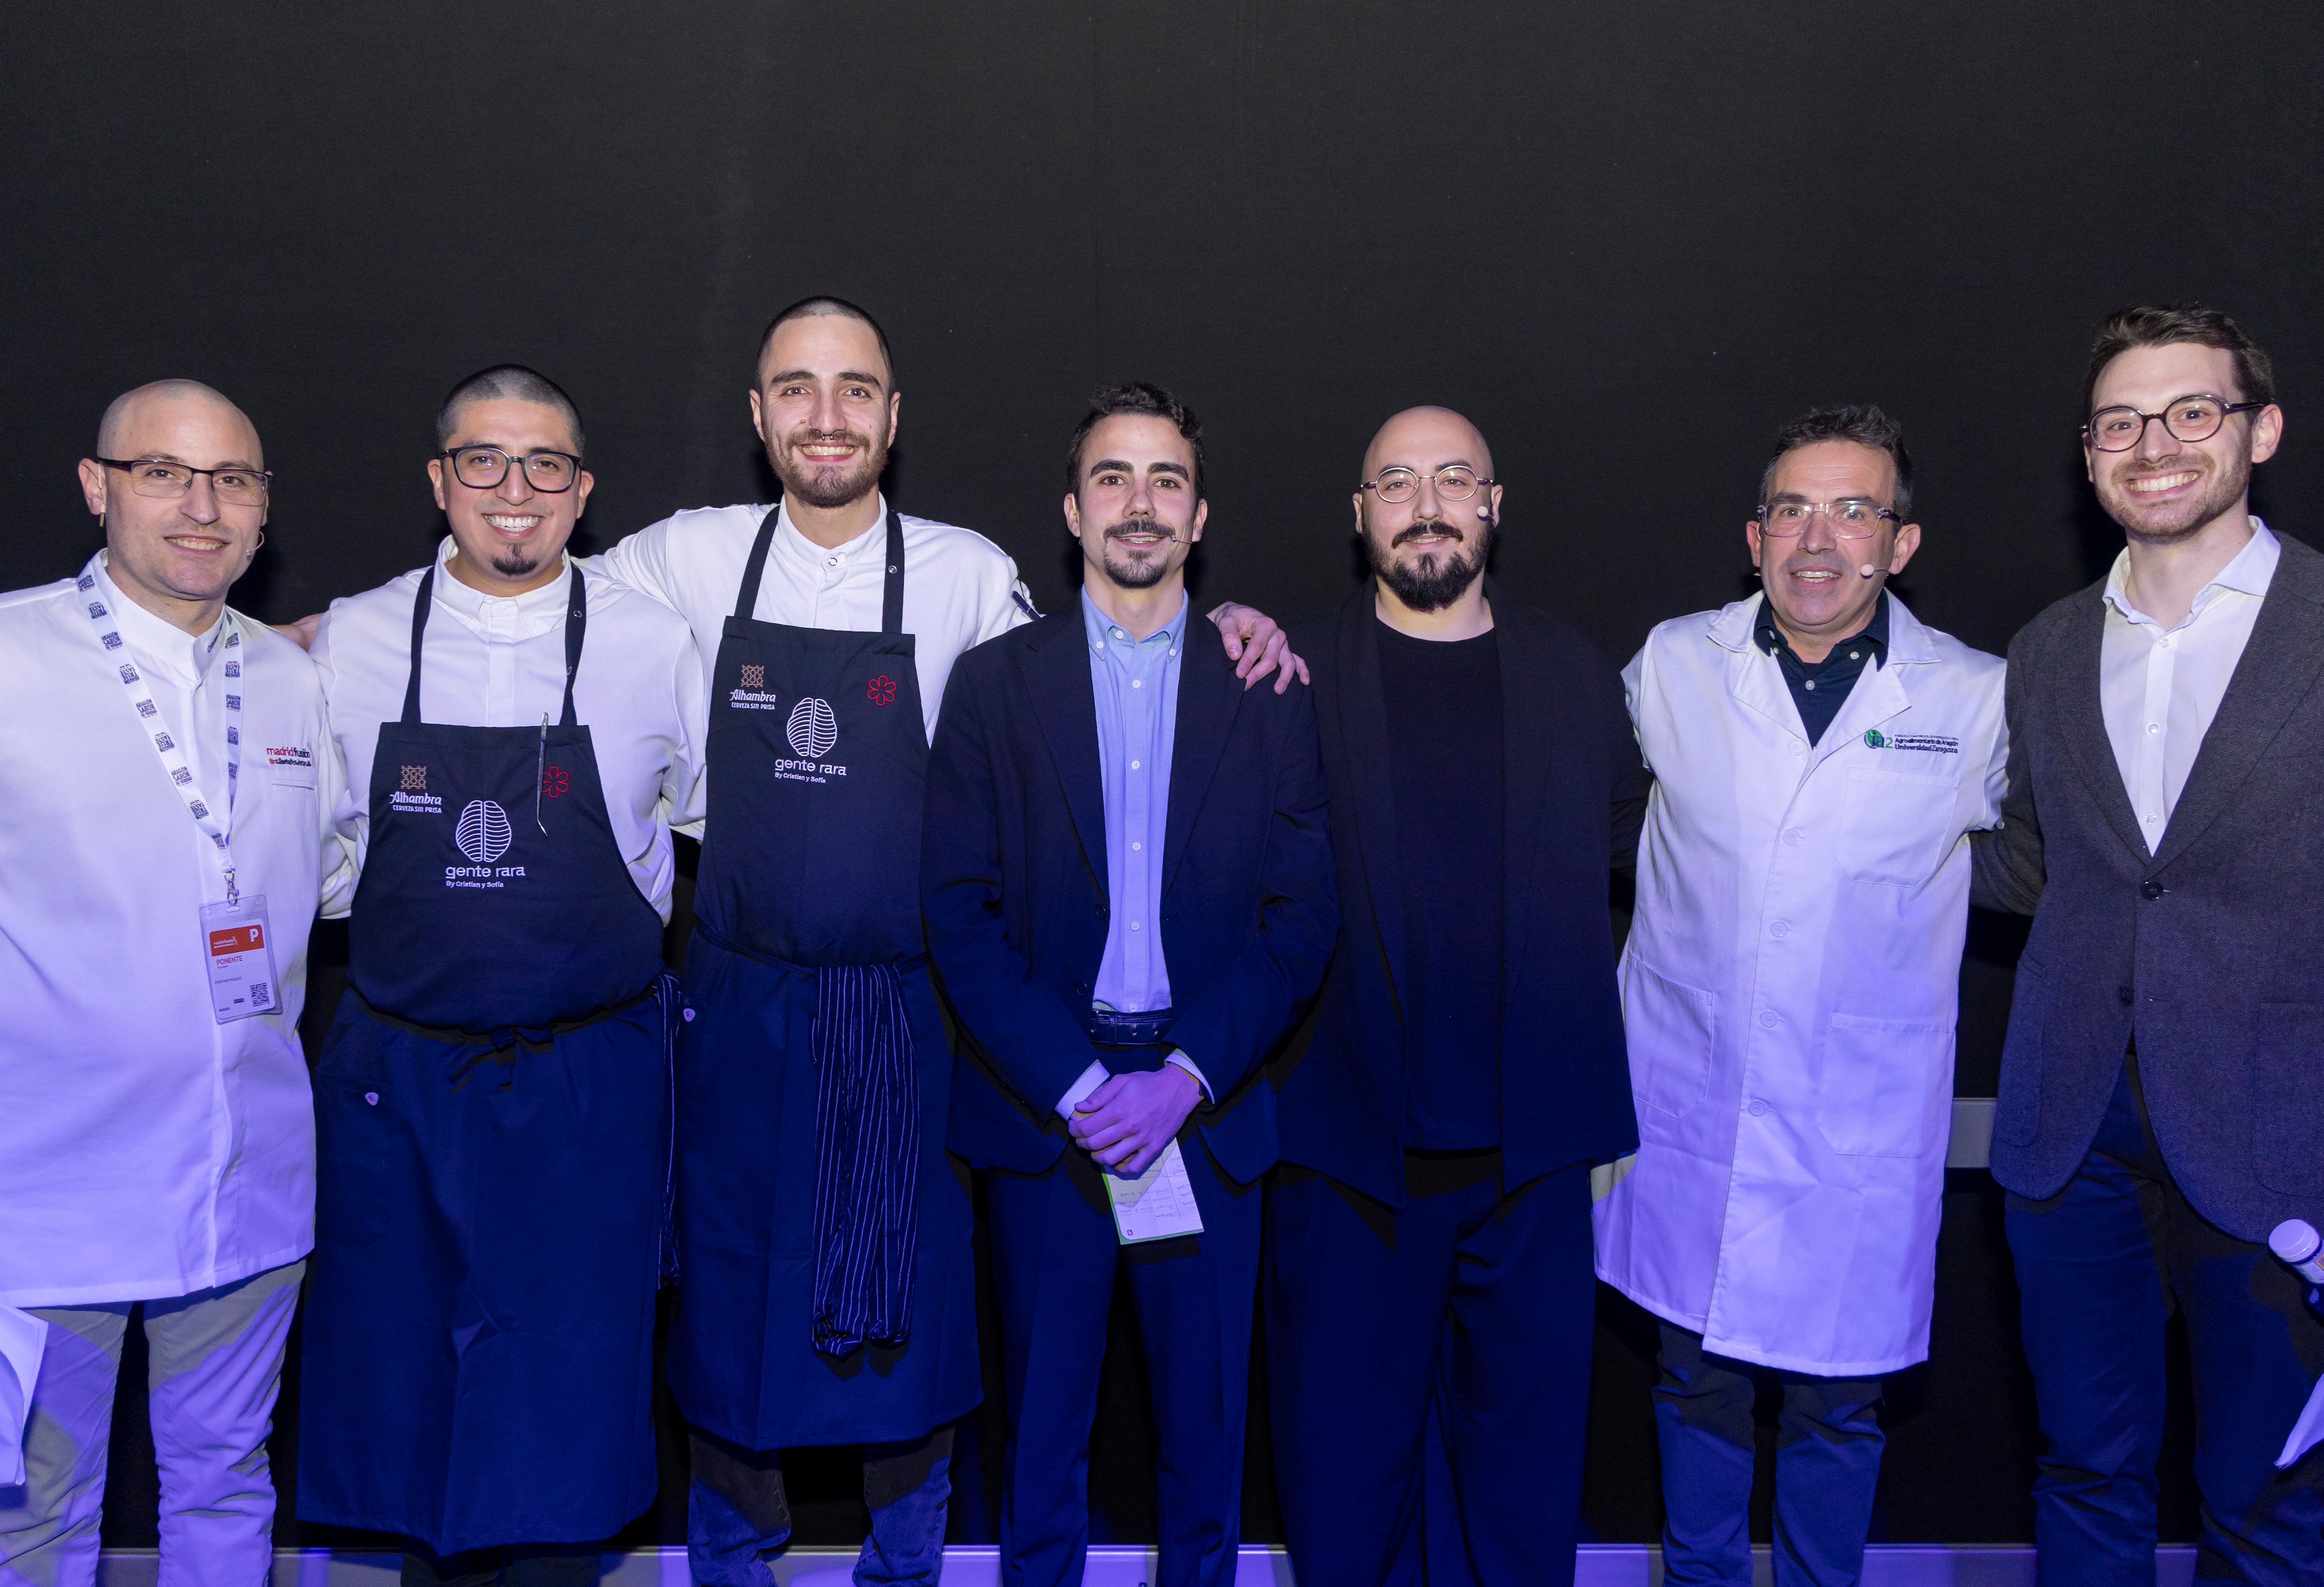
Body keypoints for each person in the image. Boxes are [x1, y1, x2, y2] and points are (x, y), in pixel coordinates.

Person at [587, 300, 1304, 1586]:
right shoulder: (681, 559)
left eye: (855, 387)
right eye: (796, 388)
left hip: (921, 1021)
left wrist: (1235, 623)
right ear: (756, 414)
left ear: (895, 414)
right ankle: (732, 1565)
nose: (826, 413)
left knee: (912, 1324)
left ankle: (904, 1568)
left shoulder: (971, 580)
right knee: (734, 1311)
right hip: (751, 1005)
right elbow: (525, 593)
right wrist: (328, 639)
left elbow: (1117, 672)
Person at [292, 367, 706, 1584]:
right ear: (440, 480)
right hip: (398, 1077)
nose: (512, 491)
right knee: (407, 1370)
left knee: (569, 1380)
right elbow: (314, 859)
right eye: (483, 460)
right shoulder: (355, 636)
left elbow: (712, 820)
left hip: (588, 1078)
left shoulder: (649, 640)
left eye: (544, 466)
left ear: (583, 491)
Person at [923, 382, 1336, 1587]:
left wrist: (1186, 1078)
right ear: (1072, 507)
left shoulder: (1266, 688)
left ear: (1200, 515)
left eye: (1166, 479)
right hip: (1048, 1115)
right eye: (1113, 477)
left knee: (1205, 1461)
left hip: (1207, 1116)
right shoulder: (996, 687)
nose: (1139, 503)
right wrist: (1080, 1081)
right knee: (1039, 1449)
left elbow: (1301, 918)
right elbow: (957, 908)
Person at [1594, 405, 2007, 1587]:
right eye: (1791, 509)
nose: (1817, 538)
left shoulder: (1973, 701)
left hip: (1856, 1131)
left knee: (1838, 1410)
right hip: (1693, 1107)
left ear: (1900, 544)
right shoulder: (1676, 662)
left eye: (1854, 510)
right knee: (1695, 1386)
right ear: (1754, 533)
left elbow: (2047, 861)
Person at [1265, 405, 1647, 1587]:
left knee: (1523, 1499)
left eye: (1451, 479)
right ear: (1359, 516)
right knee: (1343, 1493)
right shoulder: (1287, 673)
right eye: (1395, 483)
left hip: (1530, 1164)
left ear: (1493, 503)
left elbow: (1632, 875)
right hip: (1346, 1154)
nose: (1424, 504)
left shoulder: (1579, 679)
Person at [1974, 303, 2324, 1584]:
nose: (2155, 444)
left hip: (2282, 1143)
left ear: (2261, 428)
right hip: (2073, 1131)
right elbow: (2030, 858)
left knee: (2266, 1505)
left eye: (2193, 411)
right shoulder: (2048, 649)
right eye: (2120, 420)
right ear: (2089, 453)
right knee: (2083, 1476)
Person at [0, 381, 349, 1586]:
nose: (203, 507)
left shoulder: (299, 679)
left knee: (227, 1480)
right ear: (98, 487)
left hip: (247, 1180)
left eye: (235, 480)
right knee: (37, 1512)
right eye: (164, 473)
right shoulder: (9, 657)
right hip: (45, 1198)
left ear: (262, 511)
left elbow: (335, 877)